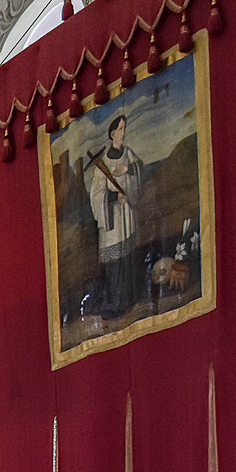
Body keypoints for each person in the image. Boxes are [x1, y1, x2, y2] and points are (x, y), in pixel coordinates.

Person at [86, 113, 144, 318]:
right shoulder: (102, 165)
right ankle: (115, 304)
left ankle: (131, 297)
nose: (123, 132)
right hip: (113, 221)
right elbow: (96, 195)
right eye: (120, 129)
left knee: (129, 257)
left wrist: (129, 168)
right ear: (112, 134)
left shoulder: (128, 154)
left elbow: (140, 168)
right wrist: (113, 196)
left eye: (124, 128)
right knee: (115, 263)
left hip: (127, 215)